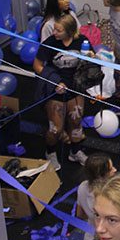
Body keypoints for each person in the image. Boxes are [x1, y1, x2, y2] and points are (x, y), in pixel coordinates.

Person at [34, 14, 90, 169]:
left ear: (70, 31)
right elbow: (37, 65)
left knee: (76, 123)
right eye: (55, 29)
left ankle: (75, 151)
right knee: (56, 129)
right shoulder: (50, 43)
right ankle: (50, 152)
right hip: (56, 91)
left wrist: (92, 56)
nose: (55, 33)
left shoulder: (82, 42)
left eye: (59, 30)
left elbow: (91, 61)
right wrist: (54, 81)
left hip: (76, 88)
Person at [76, 154, 116, 240]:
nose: (115, 170)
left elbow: (80, 214)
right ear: (101, 175)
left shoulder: (82, 186)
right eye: (111, 169)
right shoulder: (111, 196)